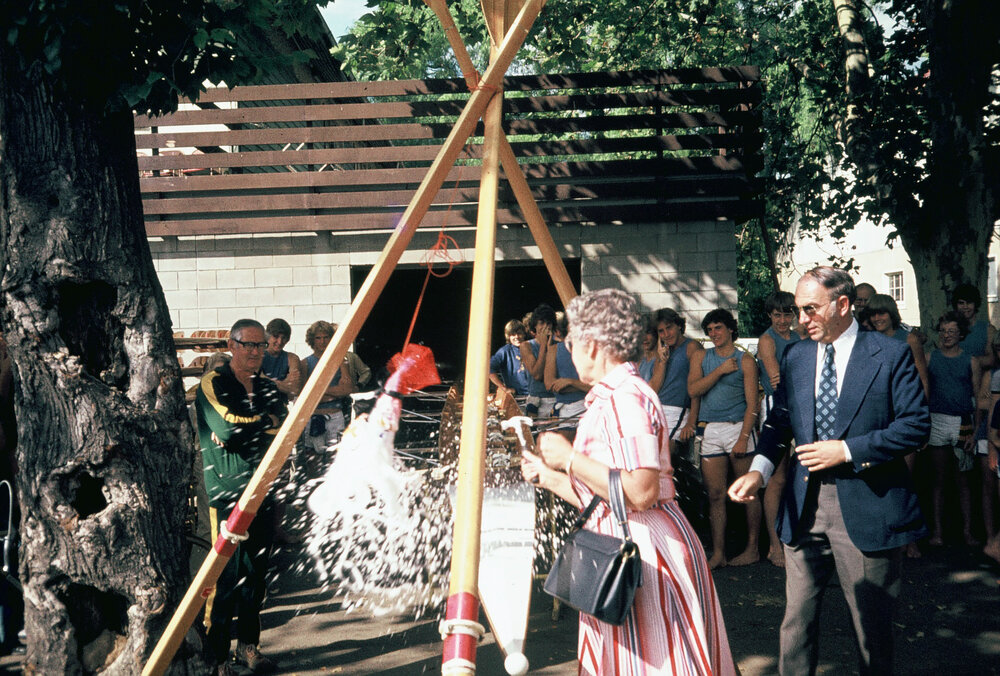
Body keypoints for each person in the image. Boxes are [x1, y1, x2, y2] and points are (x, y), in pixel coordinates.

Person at [521, 289, 736, 675]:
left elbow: (640, 491)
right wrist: (550, 477)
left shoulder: (626, 398)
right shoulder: (613, 396)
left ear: (595, 343)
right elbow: (610, 497)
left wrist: (571, 458)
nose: (568, 348)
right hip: (626, 546)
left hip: (644, 557)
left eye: (572, 340)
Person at [728, 266, 929, 676]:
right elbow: (779, 422)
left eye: (810, 309)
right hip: (805, 506)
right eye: (799, 310)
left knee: (871, 631)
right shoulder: (797, 355)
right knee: (796, 624)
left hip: (869, 506)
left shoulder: (889, 352)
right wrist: (760, 471)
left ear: (841, 305)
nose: (801, 320)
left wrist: (846, 450)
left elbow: (914, 426)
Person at [195, 319, 288, 675]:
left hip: (262, 490)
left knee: (256, 575)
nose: (255, 352)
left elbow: (282, 429)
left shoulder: (268, 386)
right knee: (224, 580)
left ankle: (248, 648)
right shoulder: (213, 382)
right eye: (247, 344)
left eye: (261, 346)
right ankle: (216, 659)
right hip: (226, 492)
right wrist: (259, 425)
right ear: (231, 345)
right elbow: (227, 430)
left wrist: (251, 426)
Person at [688, 308, 761, 569]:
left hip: (738, 427)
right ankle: (718, 553)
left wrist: (743, 437)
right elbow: (693, 389)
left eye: (718, 328)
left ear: (730, 328)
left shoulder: (745, 360)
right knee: (716, 494)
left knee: (748, 492)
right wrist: (719, 371)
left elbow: (753, 403)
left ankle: (753, 548)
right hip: (711, 430)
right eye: (709, 330)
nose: (713, 334)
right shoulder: (702, 357)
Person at [867, 293, 930, 557]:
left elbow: (923, 380)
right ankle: (885, 537)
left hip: (904, 418)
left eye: (882, 313)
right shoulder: (867, 340)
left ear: (892, 313)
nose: (878, 318)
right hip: (877, 420)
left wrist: (921, 422)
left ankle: (909, 539)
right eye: (874, 314)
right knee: (879, 481)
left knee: (905, 480)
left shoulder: (909, 339)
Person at [924, 310, 981, 547]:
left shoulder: (971, 360)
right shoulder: (929, 358)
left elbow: (978, 397)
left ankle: (967, 532)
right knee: (938, 479)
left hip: (962, 421)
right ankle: (937, 532)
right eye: (943, 331)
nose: (947, 335)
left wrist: (976, 432)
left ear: (960, 335)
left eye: (952, 331)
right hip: (936, 421)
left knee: (963, 480)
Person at [757, 290, 801, 567]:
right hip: (779, 406)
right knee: (778, 478)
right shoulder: (766, 340)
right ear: (770, 315)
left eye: (787, 314)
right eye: (777, 315)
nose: (783, 320)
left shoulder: (799, 337)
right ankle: (775, 546)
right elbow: (776, 380)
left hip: (803, 405)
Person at [301, 321, 355, 480]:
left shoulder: (340, 361)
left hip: (335, 415)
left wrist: (320, 390)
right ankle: (312, 493)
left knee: (336, 458)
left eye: (326, 337)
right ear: (312, 340)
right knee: (313, 459)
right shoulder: (306, 363)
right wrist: (333, 392)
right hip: (314, 416)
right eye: (318, 338)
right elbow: (305, 395)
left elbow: (347, 389)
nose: (322, 341)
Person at [648, 307, 703, 454]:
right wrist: (662, 360)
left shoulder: (691, 347)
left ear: (679, 325)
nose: (666, 334)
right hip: (656, 409)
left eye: (669, 328)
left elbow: (696, 389)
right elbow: (655, 387)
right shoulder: (662, 351)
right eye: (661, 331)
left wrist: (691, 422)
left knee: (661, 456)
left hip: (677, 410)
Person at [544, 314, 589, 427]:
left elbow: (599, 386)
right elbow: (550, 385)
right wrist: (582, 387)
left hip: (587, 409)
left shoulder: (592, 349)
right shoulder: (554, 349)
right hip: (564, 411)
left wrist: (569, 382)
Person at [521, 304, 557, 417]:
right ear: (535, 326)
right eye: (541, 323)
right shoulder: (526, 346)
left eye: (549, 323)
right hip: (537, 401)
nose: (546, 327)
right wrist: (543, 346)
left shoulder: (559, 345)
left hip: (556, 400)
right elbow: (537, 375)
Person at [952, 282, 996, 362]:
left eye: (969, 302)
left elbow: (990, 359)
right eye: (961, 303)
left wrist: (968, 362)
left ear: (976, 304)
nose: (965, 307)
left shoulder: (988, 329)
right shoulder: (949, 329)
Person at [261, 318, 302, 402]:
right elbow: (255, 386)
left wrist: (266, 380)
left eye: (283, 338)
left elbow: (295, 390)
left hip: (281, 409)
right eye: (276, 336)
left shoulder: (292, 358)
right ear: (267, 336)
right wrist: (285, 383)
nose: (279, 342)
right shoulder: (257, 356)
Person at [489, 319, 530, 397]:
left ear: (524, 334)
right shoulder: (504, 351)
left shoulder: (532, 347)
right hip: (517, 398)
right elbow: (489, 369)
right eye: (513, 334)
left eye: (519, 333)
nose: (517, 337)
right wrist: (504, 388)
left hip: (536, 396)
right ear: (508, 336)